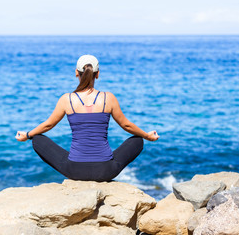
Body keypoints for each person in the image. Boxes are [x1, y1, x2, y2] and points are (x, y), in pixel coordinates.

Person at [15, 55, 159, 182]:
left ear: (76, 73)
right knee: (138, 140)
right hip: (105, 171)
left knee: (38, 139)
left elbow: (48, 125)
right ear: (97, 75)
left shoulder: (67, 99)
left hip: (75, 171)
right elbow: (126, 125)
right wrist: (147, 136)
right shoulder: (108, 98)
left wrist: (27, 135)